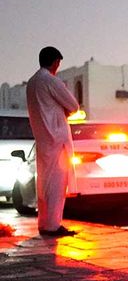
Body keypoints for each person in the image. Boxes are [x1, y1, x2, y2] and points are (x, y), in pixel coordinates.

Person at [26, 46, 80, 237]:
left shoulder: (32, 83)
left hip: (42, 139)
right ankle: (53, 225)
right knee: (57, 184)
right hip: (56, 138)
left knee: (44, 183)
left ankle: (44, 223)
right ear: (54, 61)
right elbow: (73, 105)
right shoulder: (50, 80)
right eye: (58, 63)